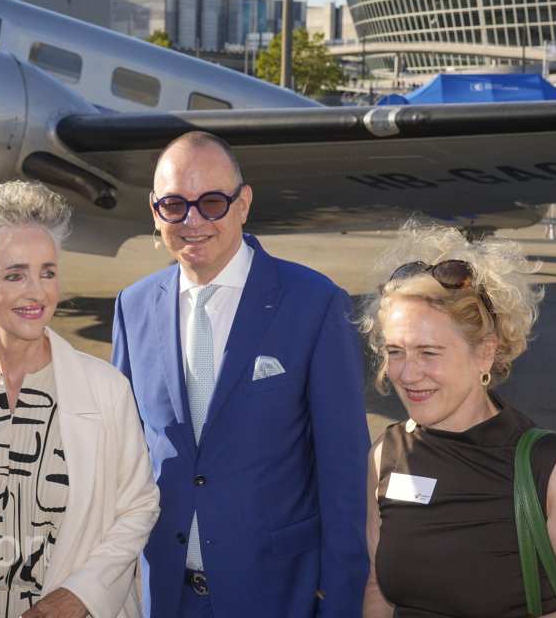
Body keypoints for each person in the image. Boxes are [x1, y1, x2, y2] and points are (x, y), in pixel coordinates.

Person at [112, 131, 370, 618]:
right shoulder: (134, 306)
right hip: (165, 595)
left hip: (277, 595)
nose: (192, 221)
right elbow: (121, 458)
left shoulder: (314, 303)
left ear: (244, 203)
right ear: (154, 210)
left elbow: (344, 476)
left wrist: (339, 605)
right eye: (174, 205)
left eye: (212, 203)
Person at [0, 180, 160, 618]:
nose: (37, 292)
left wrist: (81, 596)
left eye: (48, 272)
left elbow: (138, 507)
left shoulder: (107, 390)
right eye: (14, 274)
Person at [357, 223, 556, 617]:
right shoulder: (386, 455)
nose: (406, 373)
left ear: (485, 354)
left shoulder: (549, 466)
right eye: (396, 351)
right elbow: (378, 589)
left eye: (429, 352)